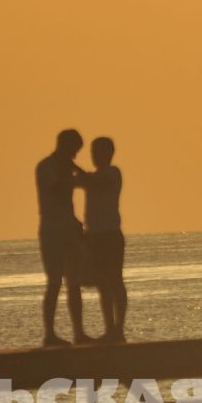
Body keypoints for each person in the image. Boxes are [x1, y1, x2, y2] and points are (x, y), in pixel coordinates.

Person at [35, 128, 90, 347]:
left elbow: (85, 180)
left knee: (74, 282)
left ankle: (79, 332)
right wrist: (69, 171)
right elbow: (56, 190)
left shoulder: (67, 168)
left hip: (68, 228)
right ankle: (49, 333)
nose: (75, 155)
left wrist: (74, 169)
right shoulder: (46, 166)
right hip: (51, 230)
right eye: (74, 150)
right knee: (54, 282)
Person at [75, 136, 127, 343]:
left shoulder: (113, 173)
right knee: (102, 284)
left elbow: (92, 181)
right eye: (93, 153)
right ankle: (109, 329)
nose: (95, 156)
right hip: (94, 237)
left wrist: (71, 165)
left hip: (111, 235)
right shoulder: (92, 177)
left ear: (109, 153)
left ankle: (119, 328)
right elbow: (77, 181)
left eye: (99, 152)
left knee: (115, 281)